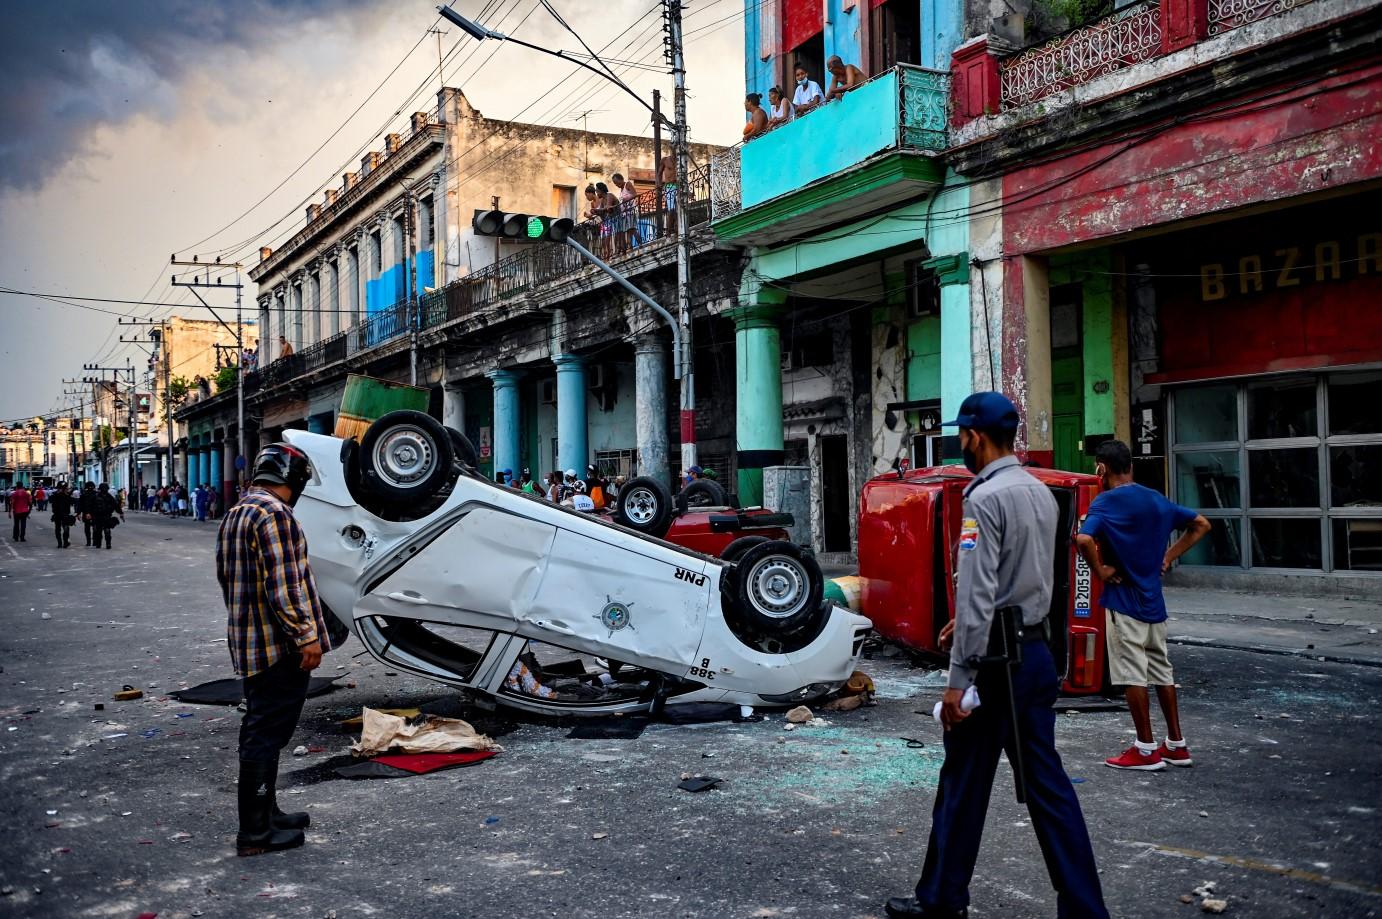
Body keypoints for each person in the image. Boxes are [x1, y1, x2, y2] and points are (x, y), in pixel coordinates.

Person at [885, 391, 1109, 919]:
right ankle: (1084, 909)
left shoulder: (983, 499)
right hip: (1032, 654)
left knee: (963, 783)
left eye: (960, 436)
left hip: (992, 664)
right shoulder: (1038, 491)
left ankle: (941, 900)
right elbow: (1023, 579)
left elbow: (979, 590)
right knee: (1049, 791)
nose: (960, 444)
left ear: (974, 437)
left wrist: (956, 681)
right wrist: (965, 623)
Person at [215, 443, 331, 857]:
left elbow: (229, 579)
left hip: (248, 641)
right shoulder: (276, 515)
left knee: (264, 728)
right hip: (278, 647)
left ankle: (268, 813)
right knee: (266, 733)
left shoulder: (238, 512)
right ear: (294, 478)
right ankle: (256, 833)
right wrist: (307, 637)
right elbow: (284, 587)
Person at [1075, 439, 1211, 771]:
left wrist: (1101, 571)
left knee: (1131, 674)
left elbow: (1082, 539)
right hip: (1154, 603)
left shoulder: (1105, 503)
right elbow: (1201, 524)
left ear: (1101, 468)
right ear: (1131, 466)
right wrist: (1168, 556)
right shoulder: (1157, 500)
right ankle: (1176, 744)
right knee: (1162, 671)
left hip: (1124, 603)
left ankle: (1145, 748)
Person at [89, 482, 123, 550]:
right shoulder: (96, 496)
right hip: (98, 517)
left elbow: (115, 505)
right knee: (99, 532)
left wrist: (121, 513)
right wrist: (89, 514)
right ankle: (99, 544)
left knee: (107, 531)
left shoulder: (109, 496)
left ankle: (108, 544)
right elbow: (90, 506)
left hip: (106, 516)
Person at [611, 173, 640, 253]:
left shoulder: (628, 184)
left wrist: (626, 199)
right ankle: (629, 247)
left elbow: (635, 194)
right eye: (615, 183)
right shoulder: (621, 189)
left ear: (621, 179)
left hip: (631, 211)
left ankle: (640, 244)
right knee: (627, 230)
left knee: (632, 229)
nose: (616, 185)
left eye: (617, 182)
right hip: (625, 213)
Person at [50, 482, 75, 548]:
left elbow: (72, 502)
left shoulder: (66, 495)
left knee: (63, 529)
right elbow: (51, 501)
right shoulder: (56, 495)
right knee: (60, 529)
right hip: (59, 514)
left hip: (63, 515)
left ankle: (64, 543)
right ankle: (61, 543)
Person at [659, 154, 678, 236]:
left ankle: (676, 229)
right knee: (671, 209)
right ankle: (668, 231)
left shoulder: (680, 160)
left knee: (678, 210)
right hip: (669, 187)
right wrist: (659, 185)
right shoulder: (665, 160)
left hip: (679, 186)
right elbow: (659, 173)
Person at [77, 481, 98, 546]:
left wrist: (79, 513)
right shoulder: (96, 494)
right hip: (94, 514)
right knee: (94, 528)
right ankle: (94, 541)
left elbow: (80, 505)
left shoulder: (84, 495)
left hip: (87, 513)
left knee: (87, 528)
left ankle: (89, 542)